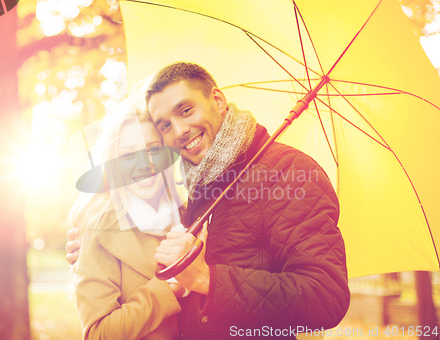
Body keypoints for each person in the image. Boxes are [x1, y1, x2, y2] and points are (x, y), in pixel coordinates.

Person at [68, 62, 350, 339]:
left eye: (186, 110)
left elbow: (326, 298)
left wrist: (206, 279)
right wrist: (93, 247)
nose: (179, 131)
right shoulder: (200, 186)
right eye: (165, 125)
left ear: (218, 100)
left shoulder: (289, 172)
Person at [68, 92, 191, 340]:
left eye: (153, 149)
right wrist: (169, 288)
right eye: (127, 155)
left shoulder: (191, 215)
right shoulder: (101, 228)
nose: (144, 164)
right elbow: (98, 334)